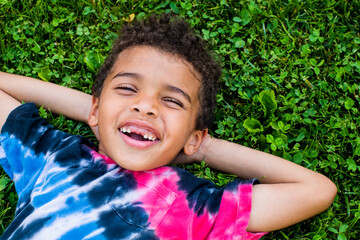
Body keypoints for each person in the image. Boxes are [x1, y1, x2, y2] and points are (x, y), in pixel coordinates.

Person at [0, 14, 336, 239]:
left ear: (193, 136)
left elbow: (317, 190)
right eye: (128, 88)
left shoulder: (196, 205)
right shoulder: (54, 157)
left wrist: (202, 148)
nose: (145, 105)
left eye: (172, 101)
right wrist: (99, 114)